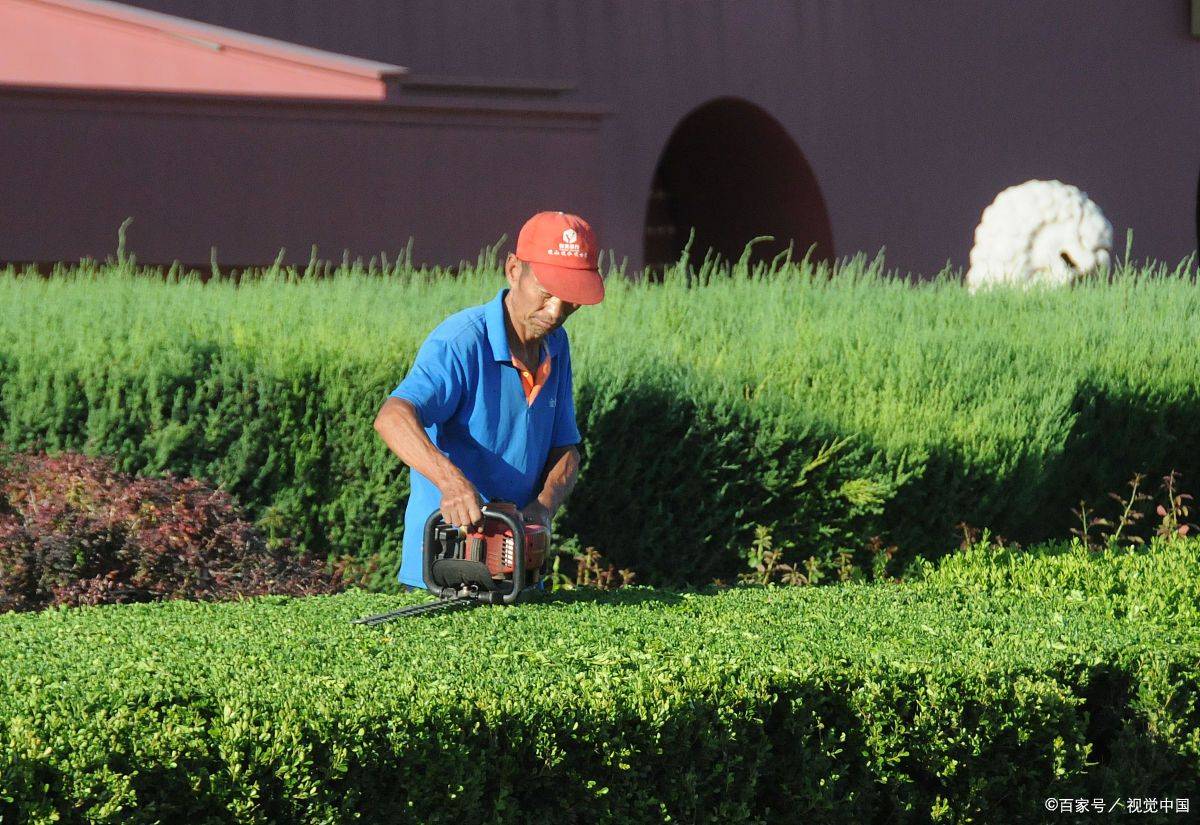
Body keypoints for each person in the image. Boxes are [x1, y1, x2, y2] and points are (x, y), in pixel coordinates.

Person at [373, 211, 604, 590]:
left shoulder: (556, 345)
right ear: (514, 270)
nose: (556, 313)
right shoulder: (461, 341)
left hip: (517, 574)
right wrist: (452, 483)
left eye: (571, 301)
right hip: (444, 569)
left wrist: (542, 510)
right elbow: (392, 416)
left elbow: (566, 450)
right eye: (547, 294)